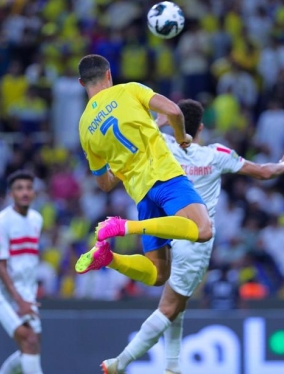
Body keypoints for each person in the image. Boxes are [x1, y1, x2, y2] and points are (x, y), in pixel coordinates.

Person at [100, 99, 284, 374]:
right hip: (195, 237)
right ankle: (120, 362)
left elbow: (148, 130)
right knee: (170, 307)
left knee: (179, 301)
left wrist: (162, 121)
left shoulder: (163, 145)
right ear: (201, 127)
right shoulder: (216, 154)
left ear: (175, 123)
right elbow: (264, 172)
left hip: (165, 229)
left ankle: (172, 366)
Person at [74, 54, 213, 292]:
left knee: (158, 274)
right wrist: (182, 138)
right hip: (165, 177)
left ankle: (108, 258)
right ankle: (125, 227)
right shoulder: (129, 90)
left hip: (142, 195)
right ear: (109, 75)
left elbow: (105, 184)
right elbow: (175, 112)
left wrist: (153, 127)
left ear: (81, 83)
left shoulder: (85, 127)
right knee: (203, 230)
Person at [0, 170, 44, 374]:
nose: (25, 193)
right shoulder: (1, 221)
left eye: (29, 188)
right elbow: (1, 266)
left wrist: (28, 295)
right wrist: (19, 301)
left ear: (34, 193)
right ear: (11, 194)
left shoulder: (37, 220)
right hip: (2, 294)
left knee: (33, 344)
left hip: (26, 293)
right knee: (29, 340)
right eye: (19, 188)